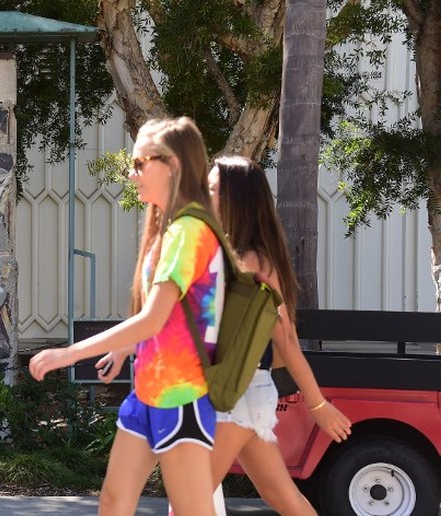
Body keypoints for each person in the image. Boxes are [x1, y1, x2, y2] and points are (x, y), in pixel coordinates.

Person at [99, 156, 353, 515]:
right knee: (282, 498)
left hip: (236, 393)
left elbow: (286, 340)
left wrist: (318, 406)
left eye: (214, 189)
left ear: (238, 199)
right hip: (232, 393)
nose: (205, 195)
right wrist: (126, 347)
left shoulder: (253, 262)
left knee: (189, 503)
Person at [29, 117, 224, 516]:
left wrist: (69, 353)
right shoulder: (171, 231)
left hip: (181, 398)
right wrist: (124, 348)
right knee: (114, 502)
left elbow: (154, 319)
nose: (131, 174)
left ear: (171, 165)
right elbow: (171, 323)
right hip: (148, 393)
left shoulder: (189, 231)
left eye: (139, 164)